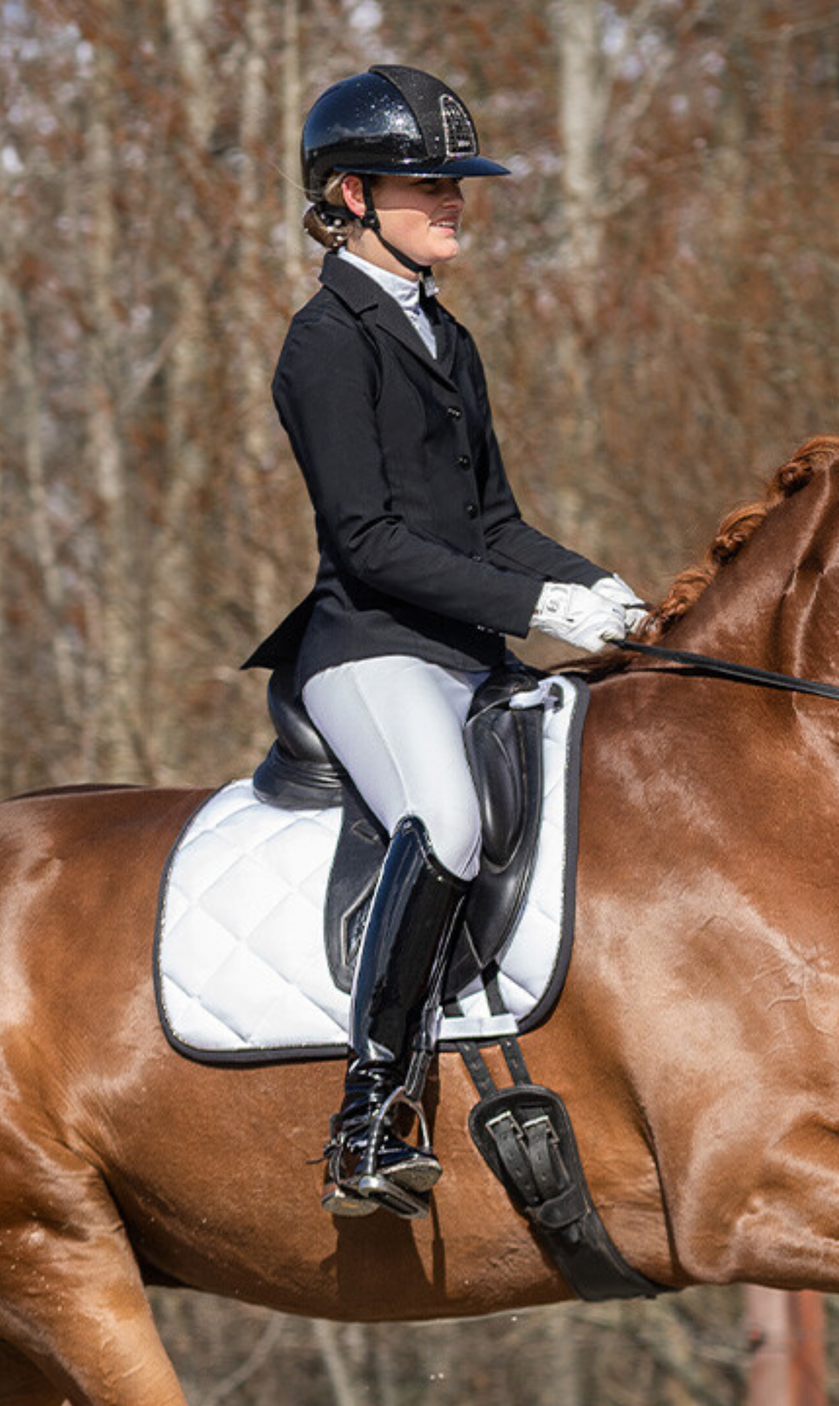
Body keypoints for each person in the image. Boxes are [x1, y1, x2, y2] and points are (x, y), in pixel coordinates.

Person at [252, 62, 642, 1220]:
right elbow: (367, 540)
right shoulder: (326, 342)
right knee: (450, 820)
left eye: (457, 183)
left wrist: (595, 585)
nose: (455, 201)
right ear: (353, 195)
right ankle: (371, 1111)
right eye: (429, 184)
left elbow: (489, 524)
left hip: (464, 645)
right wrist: (534, 610)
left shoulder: (444, 337)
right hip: (368, 646)